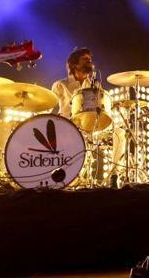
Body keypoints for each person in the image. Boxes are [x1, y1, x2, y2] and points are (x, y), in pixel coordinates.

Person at [51, 48, 125, 187]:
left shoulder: (95, 85)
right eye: (85, 59)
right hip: (68, 130)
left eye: (90, 59)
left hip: (92, 129)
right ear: (74, 65)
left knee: (119, 133)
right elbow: (48, 106)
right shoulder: (60, 85)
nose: (89, 61)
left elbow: (102, 108)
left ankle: (114, 176)